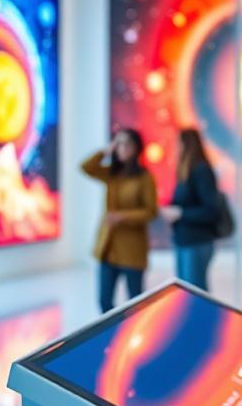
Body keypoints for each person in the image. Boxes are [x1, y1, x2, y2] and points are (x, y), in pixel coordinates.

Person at [81, 129, 157, 312]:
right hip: (108, 246)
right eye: (118, 143)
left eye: (127, 144)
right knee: (104, 301)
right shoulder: (112, 174)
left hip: (132, 249)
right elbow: (86, 167)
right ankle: (111, 338)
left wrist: (123, 216)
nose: (122, 148)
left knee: (136, 303)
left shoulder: (144, 178)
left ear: (137, 148)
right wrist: (106, 151)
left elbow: (150, 211)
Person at [160, 128, 222, 292]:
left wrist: (180, 213)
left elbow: (211, 211)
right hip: (183, 241)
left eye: (178, 144)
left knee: (196, 295)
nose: (175, 148)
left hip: (197, 242)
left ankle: (206, 319)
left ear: (186, 145)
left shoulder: (201, 171)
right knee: (184, 294)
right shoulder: (184, 172)